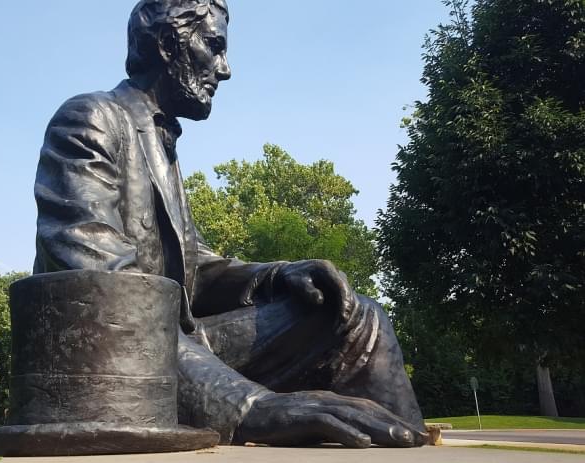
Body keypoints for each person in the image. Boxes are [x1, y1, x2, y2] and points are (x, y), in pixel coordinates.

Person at [33, 0, 427, 448]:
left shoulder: (162, 146)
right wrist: (249, 405)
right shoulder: (90, 120)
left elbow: (196, 269)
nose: (225, 69)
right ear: (167, 44)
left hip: (183, 343)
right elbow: (109, 297)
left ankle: (404, 445)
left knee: (352, 314)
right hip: (119, 356)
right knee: (338, 330)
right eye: (214, 47)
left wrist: (280, 274)